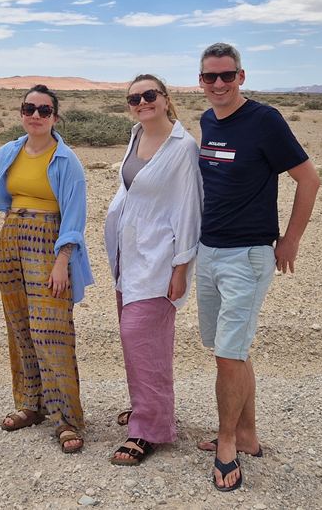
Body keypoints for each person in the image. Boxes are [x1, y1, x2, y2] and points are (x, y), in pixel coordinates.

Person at [193, 43, 320, 491]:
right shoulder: (208, 121)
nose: (219, 84)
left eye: (227, 75)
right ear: (200, 81)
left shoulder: (265, 120)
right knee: (230, 350)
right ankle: (246, 434)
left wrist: (291, 239)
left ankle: (228, 443)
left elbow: (309, 179)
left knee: (228, 355)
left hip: (246, 256)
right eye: (210, 77)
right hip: (208, 251)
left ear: (241, 76)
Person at [0, 85, 93, 454]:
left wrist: (62, 261)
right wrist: (1, 201)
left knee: (51, 330)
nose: (36, 115)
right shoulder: (9, 151)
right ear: (21, 113)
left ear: (55, 117)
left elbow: (75, 215)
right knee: (19, 325)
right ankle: (31, 404)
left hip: (49, 241)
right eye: (29, 108)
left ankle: (67, 418)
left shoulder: (66, 160)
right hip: (11, 236)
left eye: (44, 110)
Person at [103, 75, 202, 466]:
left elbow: (189, 208)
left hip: (160, 257)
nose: (142, 102)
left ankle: (150, 428)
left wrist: (181, 267)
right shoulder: (136, 135)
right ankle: (147, 407)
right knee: (136, 341)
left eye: (149, 95)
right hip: (129, 256)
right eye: (134, 98)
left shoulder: (183, 147)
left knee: (142, 337)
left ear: (165, 98)